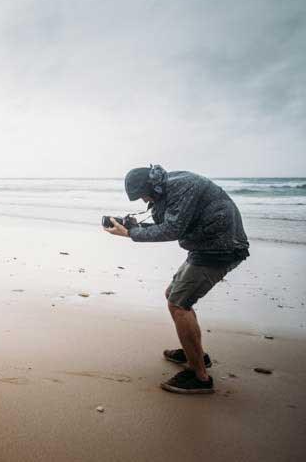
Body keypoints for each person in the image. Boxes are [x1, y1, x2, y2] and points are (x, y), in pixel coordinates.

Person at [103, 165, 249, 394]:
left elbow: (172, 230)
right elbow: (169, 224)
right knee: (173, 295)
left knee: (178, 304)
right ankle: (195, 353)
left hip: (221, 248)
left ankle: (199, 377)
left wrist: (130, 234)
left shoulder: (183, 186)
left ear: (153, 185)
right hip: (204, 246)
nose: (143, 201)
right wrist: (133, 227)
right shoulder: (165, 189)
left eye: (143, 195)